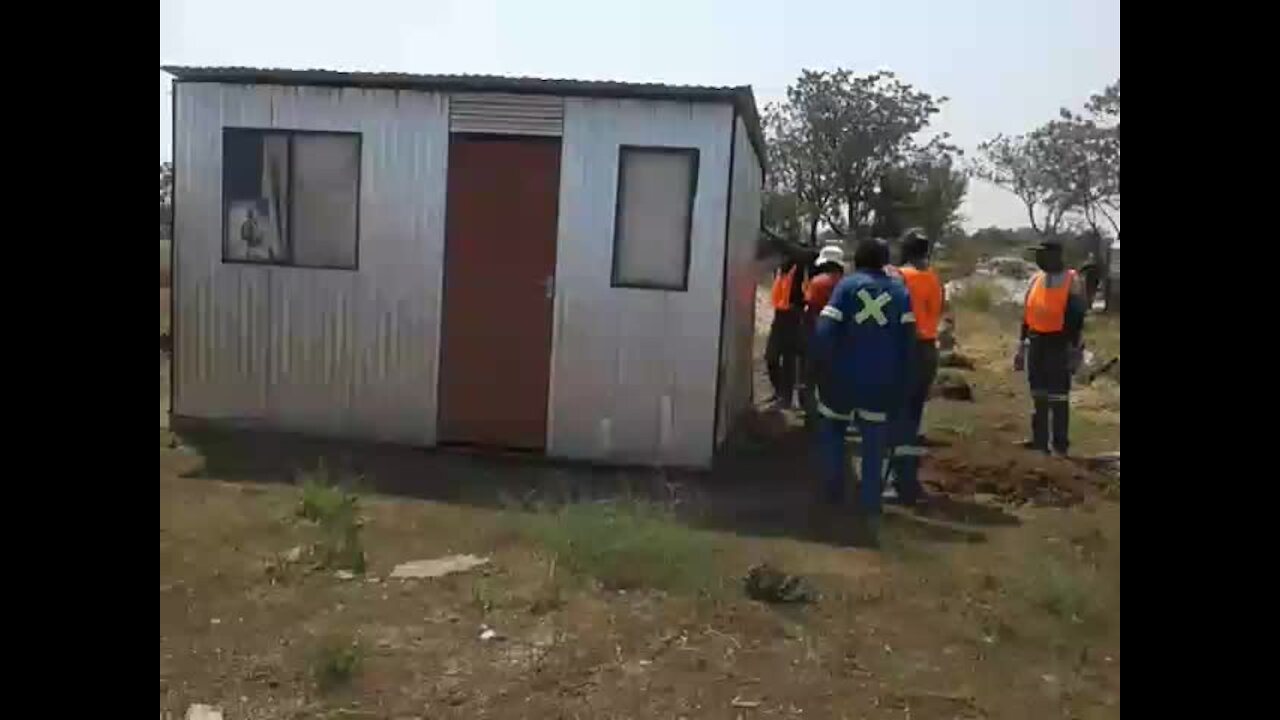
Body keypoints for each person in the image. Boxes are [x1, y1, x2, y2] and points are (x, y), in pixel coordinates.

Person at [811, 238, 915, 542]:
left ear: (857, 259)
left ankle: (832, 492)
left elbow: (825, 331)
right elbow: (908, 341)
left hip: (841, 379)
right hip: (881, 381)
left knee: (833, 432)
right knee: (874, 442)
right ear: (884, 261)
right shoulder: (900, 292)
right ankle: (871, 502)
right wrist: (904, 379)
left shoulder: (846, 287)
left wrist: (819, 367)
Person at [886, 229, 943, 506]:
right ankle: (906, 480)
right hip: (927, 350)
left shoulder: (899, 277)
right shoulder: (933, 278)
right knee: (911, 418)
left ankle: (901, 484)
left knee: (896, 418)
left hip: (905, 349)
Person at [1014, 239, 1087, 456]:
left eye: (1042, 254)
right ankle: (1039, 441)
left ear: (1056, 255)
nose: (1038, 259)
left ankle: (1060, 445)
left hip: (1059, 343)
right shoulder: (1035, 279)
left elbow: (1077, 318)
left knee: (1058, 396)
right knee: (1038, 393)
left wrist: (1074, 350)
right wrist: (1020, 345)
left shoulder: (1072, 280)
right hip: (1036, 341)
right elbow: (1027, 315)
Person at [799, 245, 846, 424]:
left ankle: (812, 416)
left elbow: (809, 310)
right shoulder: (847, 284)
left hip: (817, 336)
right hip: (841, 339)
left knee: (809, 378)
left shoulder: (818, 282)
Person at [765, 255, 809, 409]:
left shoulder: (799, 268)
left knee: (789, 360)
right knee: (771, 357)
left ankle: (786, 398)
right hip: (779, 316)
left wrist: (798, 306)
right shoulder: (780, 270)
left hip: (793, 316)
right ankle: (779, 392)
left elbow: (804, 292)